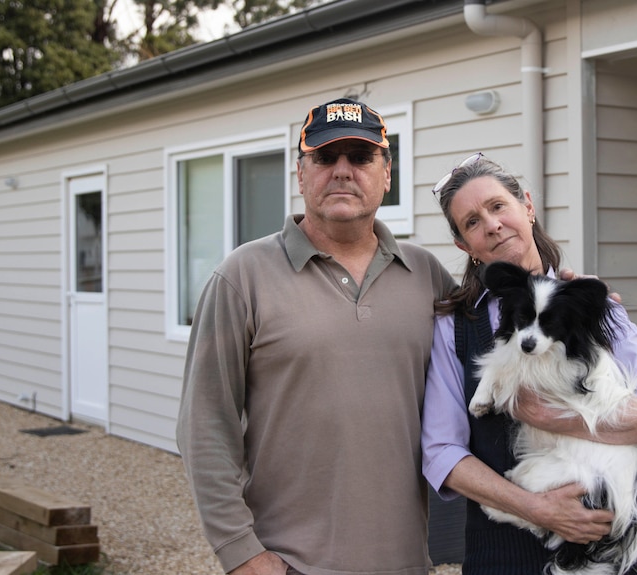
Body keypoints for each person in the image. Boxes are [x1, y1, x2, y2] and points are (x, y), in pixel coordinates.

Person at [176, 98, 456, 575]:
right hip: (291, 563)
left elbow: (500, 347)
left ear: (386, 174)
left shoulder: (426, 275)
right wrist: (241, 552)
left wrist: (573, 302)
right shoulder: (242, 276)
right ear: (300, 174)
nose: (342, 171)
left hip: (407, 561)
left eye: (361, 157)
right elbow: (204, 424)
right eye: (325, 157)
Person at [421, 153, 637, 575]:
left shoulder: (591, 304)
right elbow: (442, 453)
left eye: (497, 206)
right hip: (504, 557)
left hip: (611, 555)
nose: (491, 224)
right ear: (463, 246)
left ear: (527, 207)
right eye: (472, 222)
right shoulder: (454, 328)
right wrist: (536, 508)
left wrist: (553, 416)